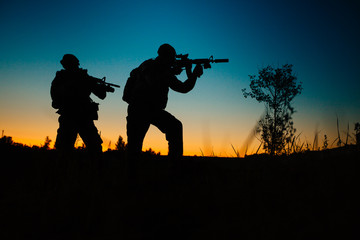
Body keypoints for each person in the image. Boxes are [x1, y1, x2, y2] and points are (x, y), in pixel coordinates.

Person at [123, 44, 203, 160]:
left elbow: (182, 87)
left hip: (146, 109)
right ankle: (173, 169)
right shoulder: (156, 68)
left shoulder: (153, 66)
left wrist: (188, 73)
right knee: (134, 149)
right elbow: (180, 87)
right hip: (142, 109)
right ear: (166, 57)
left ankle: (173, 168)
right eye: (172, 58)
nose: (173, 61)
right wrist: (190, 74)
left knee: (174, 127)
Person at [51, 54, 113, 154]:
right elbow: (101, 95)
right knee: (66, 148)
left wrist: (101, 87)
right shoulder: (68, 78)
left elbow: (101, 94)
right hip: (77, 116)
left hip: (77, 116)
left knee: (91, 147)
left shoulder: (64, 78)